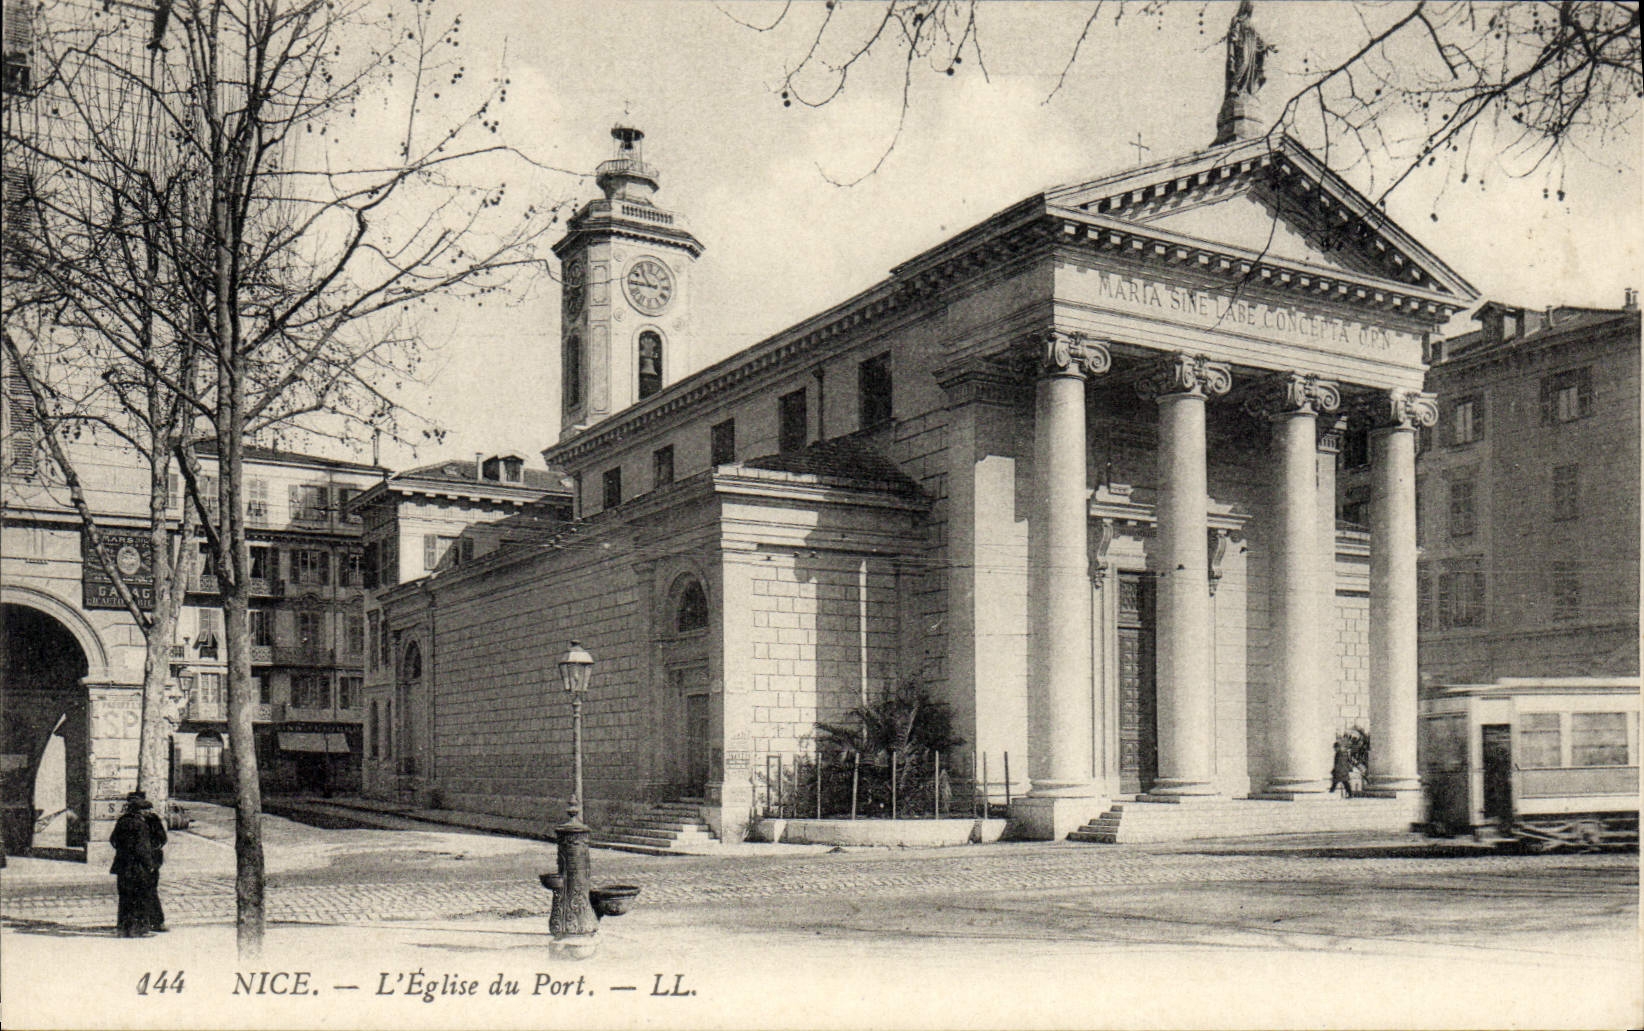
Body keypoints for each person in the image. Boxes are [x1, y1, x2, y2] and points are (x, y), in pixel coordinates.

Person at [109, 791, 157, 937]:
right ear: (140, 811)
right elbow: (143, 849)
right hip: (137, 867)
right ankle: (140, 929)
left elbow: (113, 840)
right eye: (146, 809)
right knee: (140, 897)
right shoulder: (141, 825)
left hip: (122, 865)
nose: (148, 812)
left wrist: (123, 851)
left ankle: (123, 929)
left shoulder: (122, 821)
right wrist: (150, 864)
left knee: (125, 898)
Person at [140, 797, 169, 932]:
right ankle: (145, 922)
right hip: (142, 859)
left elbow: (162, 839)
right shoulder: (134, 819)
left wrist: (152, 849)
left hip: (151, 859)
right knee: (144, 891)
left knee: (150, 890)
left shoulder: (152, 820)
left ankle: (157, 922)